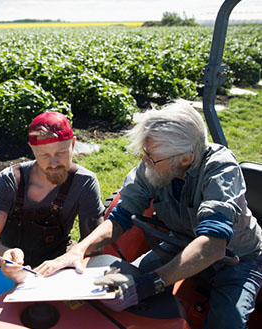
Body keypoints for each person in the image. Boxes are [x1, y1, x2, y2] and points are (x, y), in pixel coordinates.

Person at [41, 101, 262, 329]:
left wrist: (148, 284)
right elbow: (120, 217)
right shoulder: (154, 166)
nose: (145, 161)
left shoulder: (221, 169)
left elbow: (213, 246)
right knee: (112, 293)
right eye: (145, 153)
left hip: (237, 257)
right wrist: (79, 250)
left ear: (185, 159)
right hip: (179, 242)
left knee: (225, 323)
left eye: (153, 157)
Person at [0, 111, 105, 283]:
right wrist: (4, 255)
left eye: (61, 152)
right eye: (44, 155)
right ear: (32, 149)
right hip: (13, 275)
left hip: (60, 270)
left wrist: (74, 260)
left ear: (73, 144)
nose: (54, 163)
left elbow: (94, 242)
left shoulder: (84, 182)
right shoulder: (11, 180)